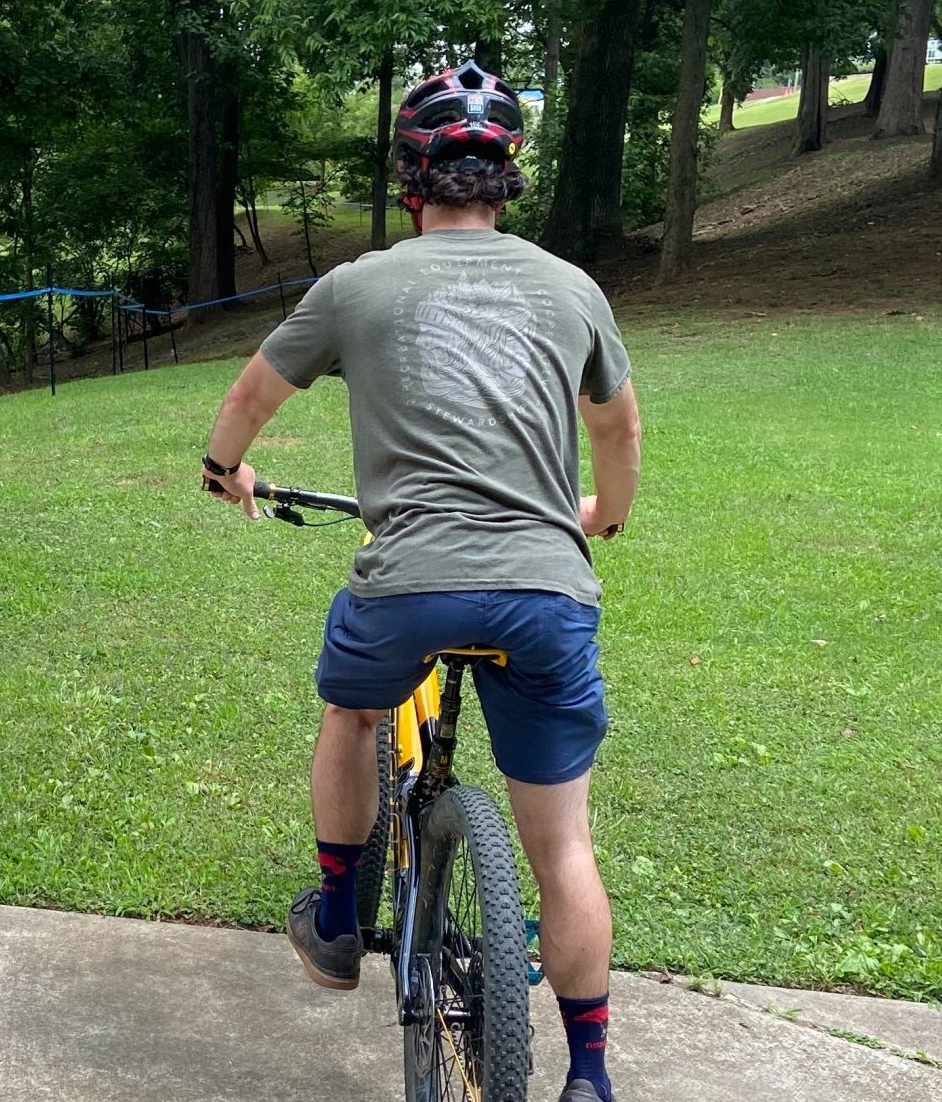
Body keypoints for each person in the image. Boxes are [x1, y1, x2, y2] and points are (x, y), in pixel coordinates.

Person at [199, 61, 642, 1102]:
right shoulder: (570, 287)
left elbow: (250, 396)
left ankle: (340, 918)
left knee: (354, 715)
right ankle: (587, 1074)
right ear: (506, 180)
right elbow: (614, 427)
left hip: (404, 585)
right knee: (565, 845)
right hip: (545, 589)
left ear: (411, 179)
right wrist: (602, 517)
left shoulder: (354, 285)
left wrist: (224, 472)